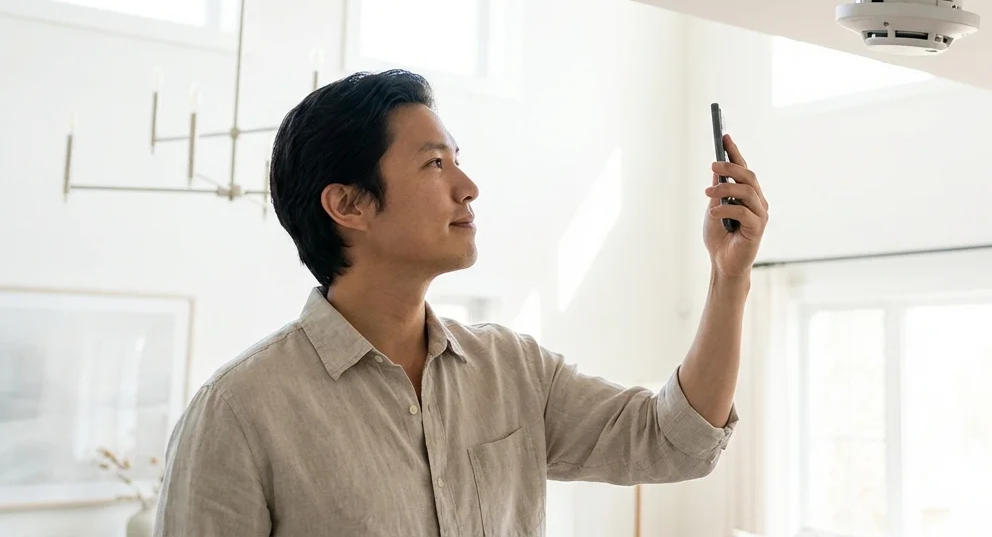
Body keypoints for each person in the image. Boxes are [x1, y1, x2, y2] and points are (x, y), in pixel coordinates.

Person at [153, 69, 768, 536]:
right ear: (348, 205)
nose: (467, 187)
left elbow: (675, 442)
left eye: (458, 160)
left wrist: (728, 277)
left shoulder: (512, 369)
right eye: (434, 163)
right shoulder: (238, 413)